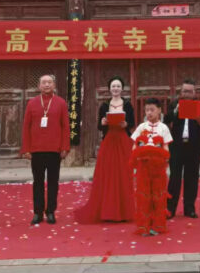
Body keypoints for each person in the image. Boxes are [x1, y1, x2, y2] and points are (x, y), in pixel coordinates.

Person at [74, 76, 135, 223]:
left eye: (118, 86)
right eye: (113, 86)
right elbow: (100, 127)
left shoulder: (127, 104)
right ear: (109, 89)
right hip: (109, 141)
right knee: (107, 174)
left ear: (122, 88)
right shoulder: (104, 105)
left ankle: (124, 212)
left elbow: (132, 123)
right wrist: (103, 122)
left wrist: (125, 124)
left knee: (123, 174)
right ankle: (108, 210)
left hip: (123, 141)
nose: (115, 89)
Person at [20, 74, 70, 225]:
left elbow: (65, 127)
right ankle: (37, 212)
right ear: (39, 86)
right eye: (44, 82)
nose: (47, 85)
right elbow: (26, 127)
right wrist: (26, 149)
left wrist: (65, 147)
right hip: (37, 149)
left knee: (53, 182)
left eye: (49, 82)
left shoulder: (61, 103)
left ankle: (51, 212)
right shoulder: (32, 103)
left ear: (54, 85)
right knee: (38, 182)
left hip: (55, 149)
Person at [165, 78, 200, 218]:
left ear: (194, 93)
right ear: (181, 92)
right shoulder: (174, 105)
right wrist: (176, 111)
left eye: (190, 91)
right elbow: (166, 120)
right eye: (185, 91)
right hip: (177, 147)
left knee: (192, 178)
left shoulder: (199, 105)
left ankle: (189, 209)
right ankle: (170, 209)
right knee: (174, 179)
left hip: (193, 147)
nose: (187, 94)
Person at [130, 98, 173, 236]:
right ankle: (143, 226)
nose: (149, 113)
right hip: (143, 167)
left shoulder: (164, 128)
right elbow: (134, 146)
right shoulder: (141, 127)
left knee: (158, 197)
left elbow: (166, 148)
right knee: (144, 196)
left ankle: (158, 225)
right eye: (147, 110)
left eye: (152, 110)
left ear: (159, 110)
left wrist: (163, 158)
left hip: (158, 169)